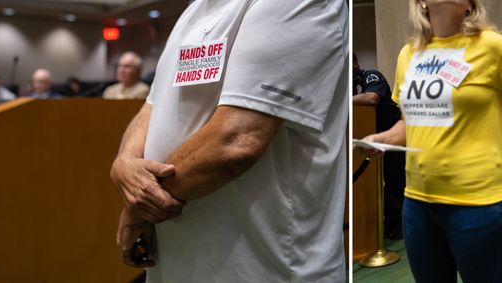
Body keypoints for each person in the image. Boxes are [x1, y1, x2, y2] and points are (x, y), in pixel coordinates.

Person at [109, 0, 348, 282]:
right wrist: (124, 162)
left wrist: (140, 205)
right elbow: (152, 106)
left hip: (263, 266)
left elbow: (235, 141)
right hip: (178, 260)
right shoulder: (195, 10)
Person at [356, 0, 502, 281]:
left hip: (480, 203)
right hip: (418, 201)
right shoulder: (408, 54)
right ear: (421, 2)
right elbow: (411, 122)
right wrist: (382, 138)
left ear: (470, 5)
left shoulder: (494, 47)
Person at [353, 54, 406, 239]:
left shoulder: (371, 76)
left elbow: (371, 99)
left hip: (393, 137)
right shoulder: (347, 85)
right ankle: (387, 226)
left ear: (356, 64)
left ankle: (398, 228)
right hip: (371, 140)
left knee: (395, 184)